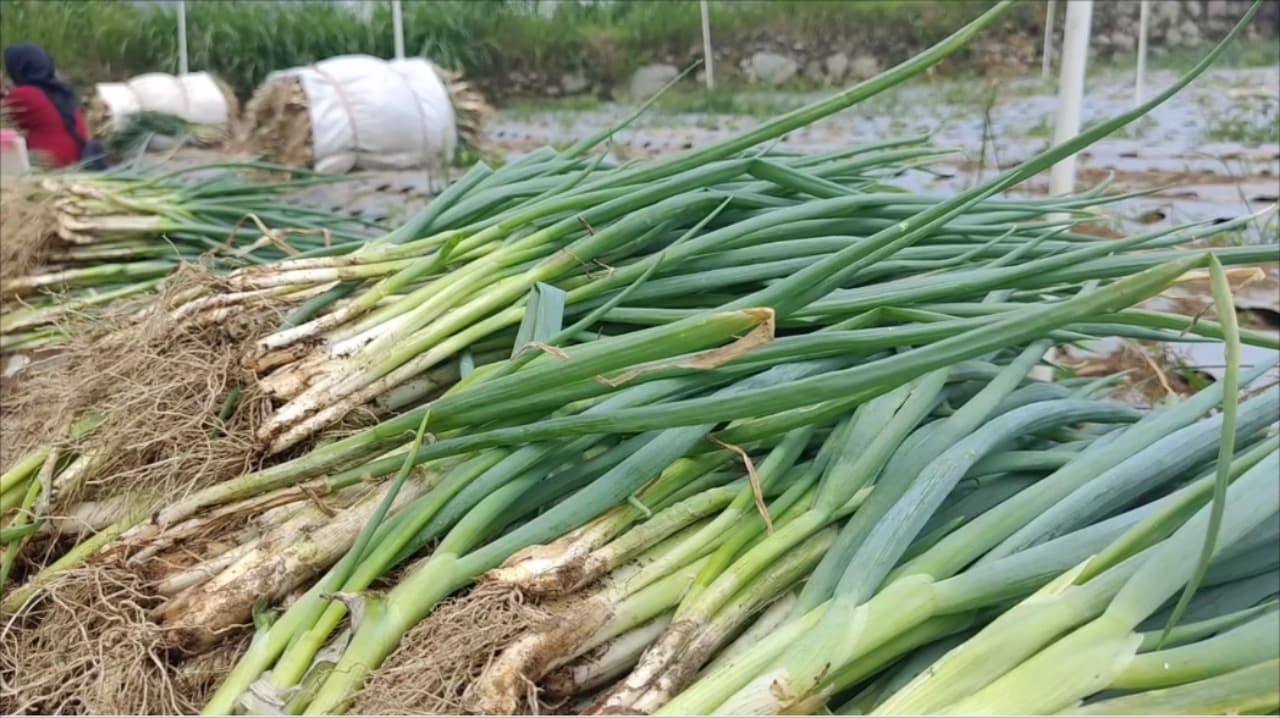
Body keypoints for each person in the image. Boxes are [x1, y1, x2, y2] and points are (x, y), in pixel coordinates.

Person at [2, 43, 104, 169]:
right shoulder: (61, 91)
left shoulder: (23, 94)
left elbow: (4, 119)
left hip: (51, 166)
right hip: (79, 159)